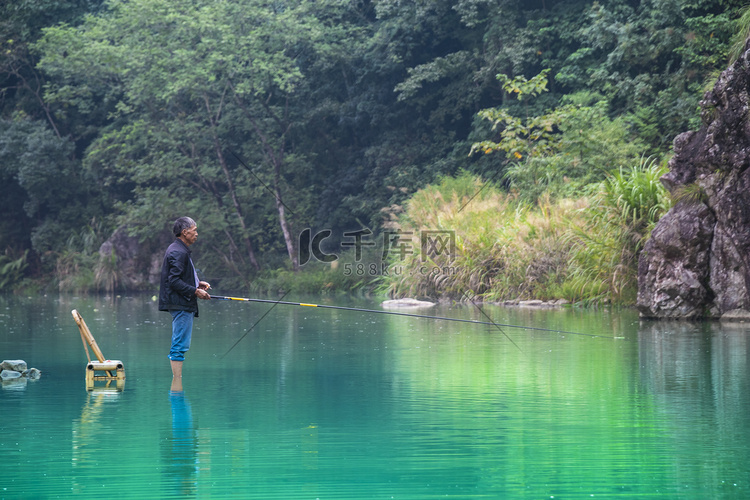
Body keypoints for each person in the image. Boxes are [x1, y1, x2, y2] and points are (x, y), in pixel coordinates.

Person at [159, 216, 211, 380]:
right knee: (179, 346)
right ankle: (176, 384)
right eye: (194, 230)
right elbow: (173, 281)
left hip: (182, 303)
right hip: (180, 304)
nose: (197, 234)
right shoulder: (178, 252)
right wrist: (196, 292)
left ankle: (177, 384)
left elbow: (179, 277)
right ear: (185, 232)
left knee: (181, 344)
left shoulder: (179, 249)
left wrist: (197, 283)